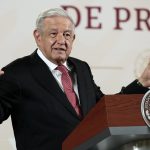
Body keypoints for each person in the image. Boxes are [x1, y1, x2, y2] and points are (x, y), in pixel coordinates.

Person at [0, 8, 149, 150]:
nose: (61, 40)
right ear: (38, 36)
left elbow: (104, 111)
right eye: (53, 34)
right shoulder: (17, 73)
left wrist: (142, 81)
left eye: (66, 34)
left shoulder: (82, 68)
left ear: (73, 38)